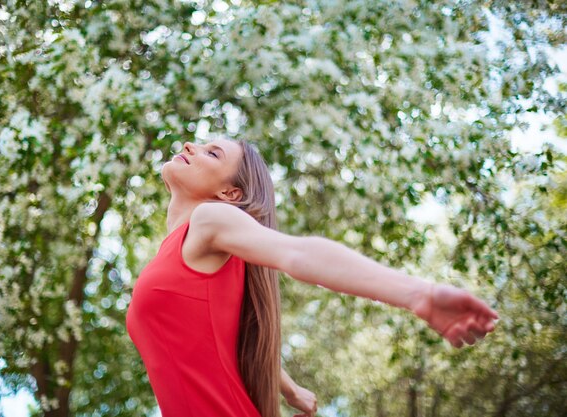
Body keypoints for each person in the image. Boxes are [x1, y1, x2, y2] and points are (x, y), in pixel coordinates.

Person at [125, 138, 499, 417]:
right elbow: (227, 339)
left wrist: (420, 294)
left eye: (212, 153)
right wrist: (289, 389)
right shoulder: (182, 249)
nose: (190, 144)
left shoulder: (209, 220)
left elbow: (298, 253)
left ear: (229, 192)